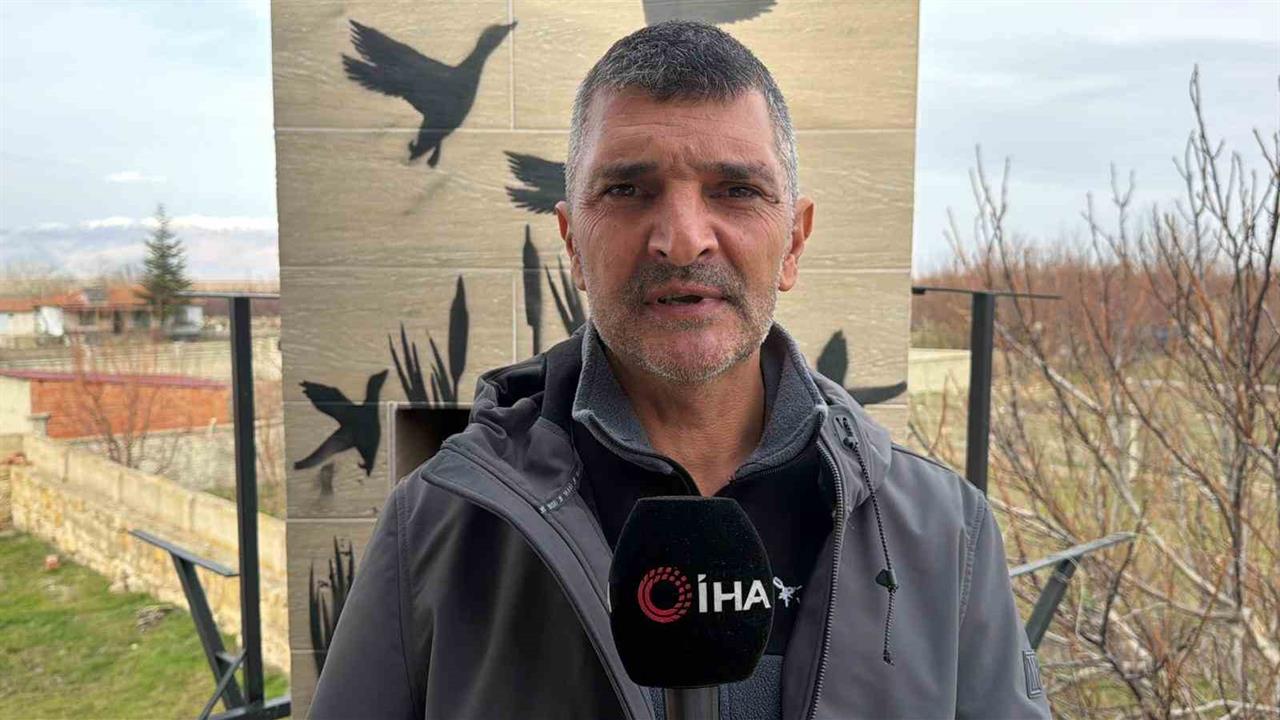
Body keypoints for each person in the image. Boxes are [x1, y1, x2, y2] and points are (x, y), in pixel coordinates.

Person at [310, 21, 1052, 720]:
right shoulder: (436, 525)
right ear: (572, 244)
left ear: (793, 243)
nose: (683, 238)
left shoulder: (945, 535)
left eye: (736, 190)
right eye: (628, 190)